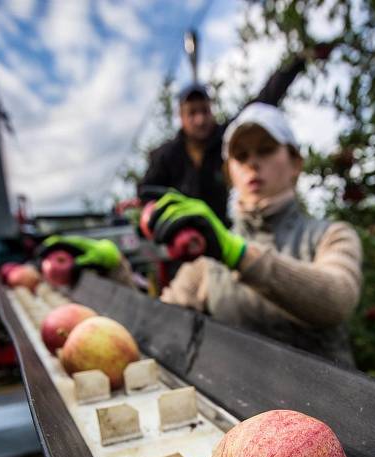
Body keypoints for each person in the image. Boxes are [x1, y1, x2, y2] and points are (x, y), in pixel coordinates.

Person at [147, 103, 363, 367]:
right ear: (230, 174)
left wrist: (238, 254)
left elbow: (337, 299)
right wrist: (115, 275)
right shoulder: (207, 261)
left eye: (266, 149)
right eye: (240, 156)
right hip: (236, 406)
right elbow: (161, 325)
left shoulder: (331, 235)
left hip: (323, 405)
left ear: (295, 163)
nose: (252, 162)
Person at [137, 45, 334, 224]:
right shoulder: (166, 155)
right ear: (181, 116)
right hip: (179, 239)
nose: (200, 119)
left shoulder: (226, 137)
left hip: (221, 234)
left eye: (205, 111)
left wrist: (297, 62)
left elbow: (264, 100)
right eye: (192, 113)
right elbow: (146, 193)